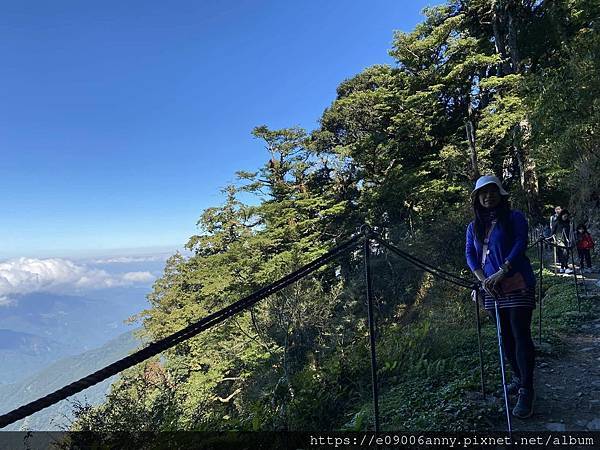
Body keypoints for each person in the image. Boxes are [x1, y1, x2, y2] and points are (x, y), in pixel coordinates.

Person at [465, 175, 536, 419]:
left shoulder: (514, 218)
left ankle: (527, 390)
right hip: (491, 289)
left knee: (520, 334)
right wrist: (482, 277)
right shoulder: (473, 227)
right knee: (504, 336)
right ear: (477, 199)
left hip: (517, 283)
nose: (488, 196)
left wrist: (503, 269)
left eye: (492, 191)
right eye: (482, 193)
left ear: (500, 194)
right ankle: (518, 376)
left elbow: (520, 243)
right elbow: (470, 254)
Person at [551, 209, 574, 274]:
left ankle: (562, 267)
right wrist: (552, 239)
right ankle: (565, 267)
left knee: (566, 253)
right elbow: (553, 231)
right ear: (561, 216)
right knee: (563, 253)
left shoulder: (568, 222)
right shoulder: (557, 222)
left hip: (567, 240)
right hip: (559, 240)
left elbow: (571, 231)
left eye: (567, 216)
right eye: (564, 216)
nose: (565, 218)